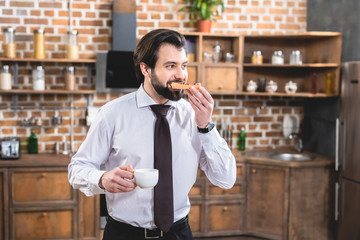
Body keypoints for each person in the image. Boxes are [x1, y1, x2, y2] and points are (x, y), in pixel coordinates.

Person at [68, 28, 236, 240]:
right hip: (124, 234)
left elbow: (226, 179)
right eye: (170, 66)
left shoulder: (195, 116)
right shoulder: (112, 114)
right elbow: (77, 169)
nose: (181, 75)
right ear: (146, 69)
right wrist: (101, 178)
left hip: (178, 233)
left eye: (183, 66)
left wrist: (206, 126)